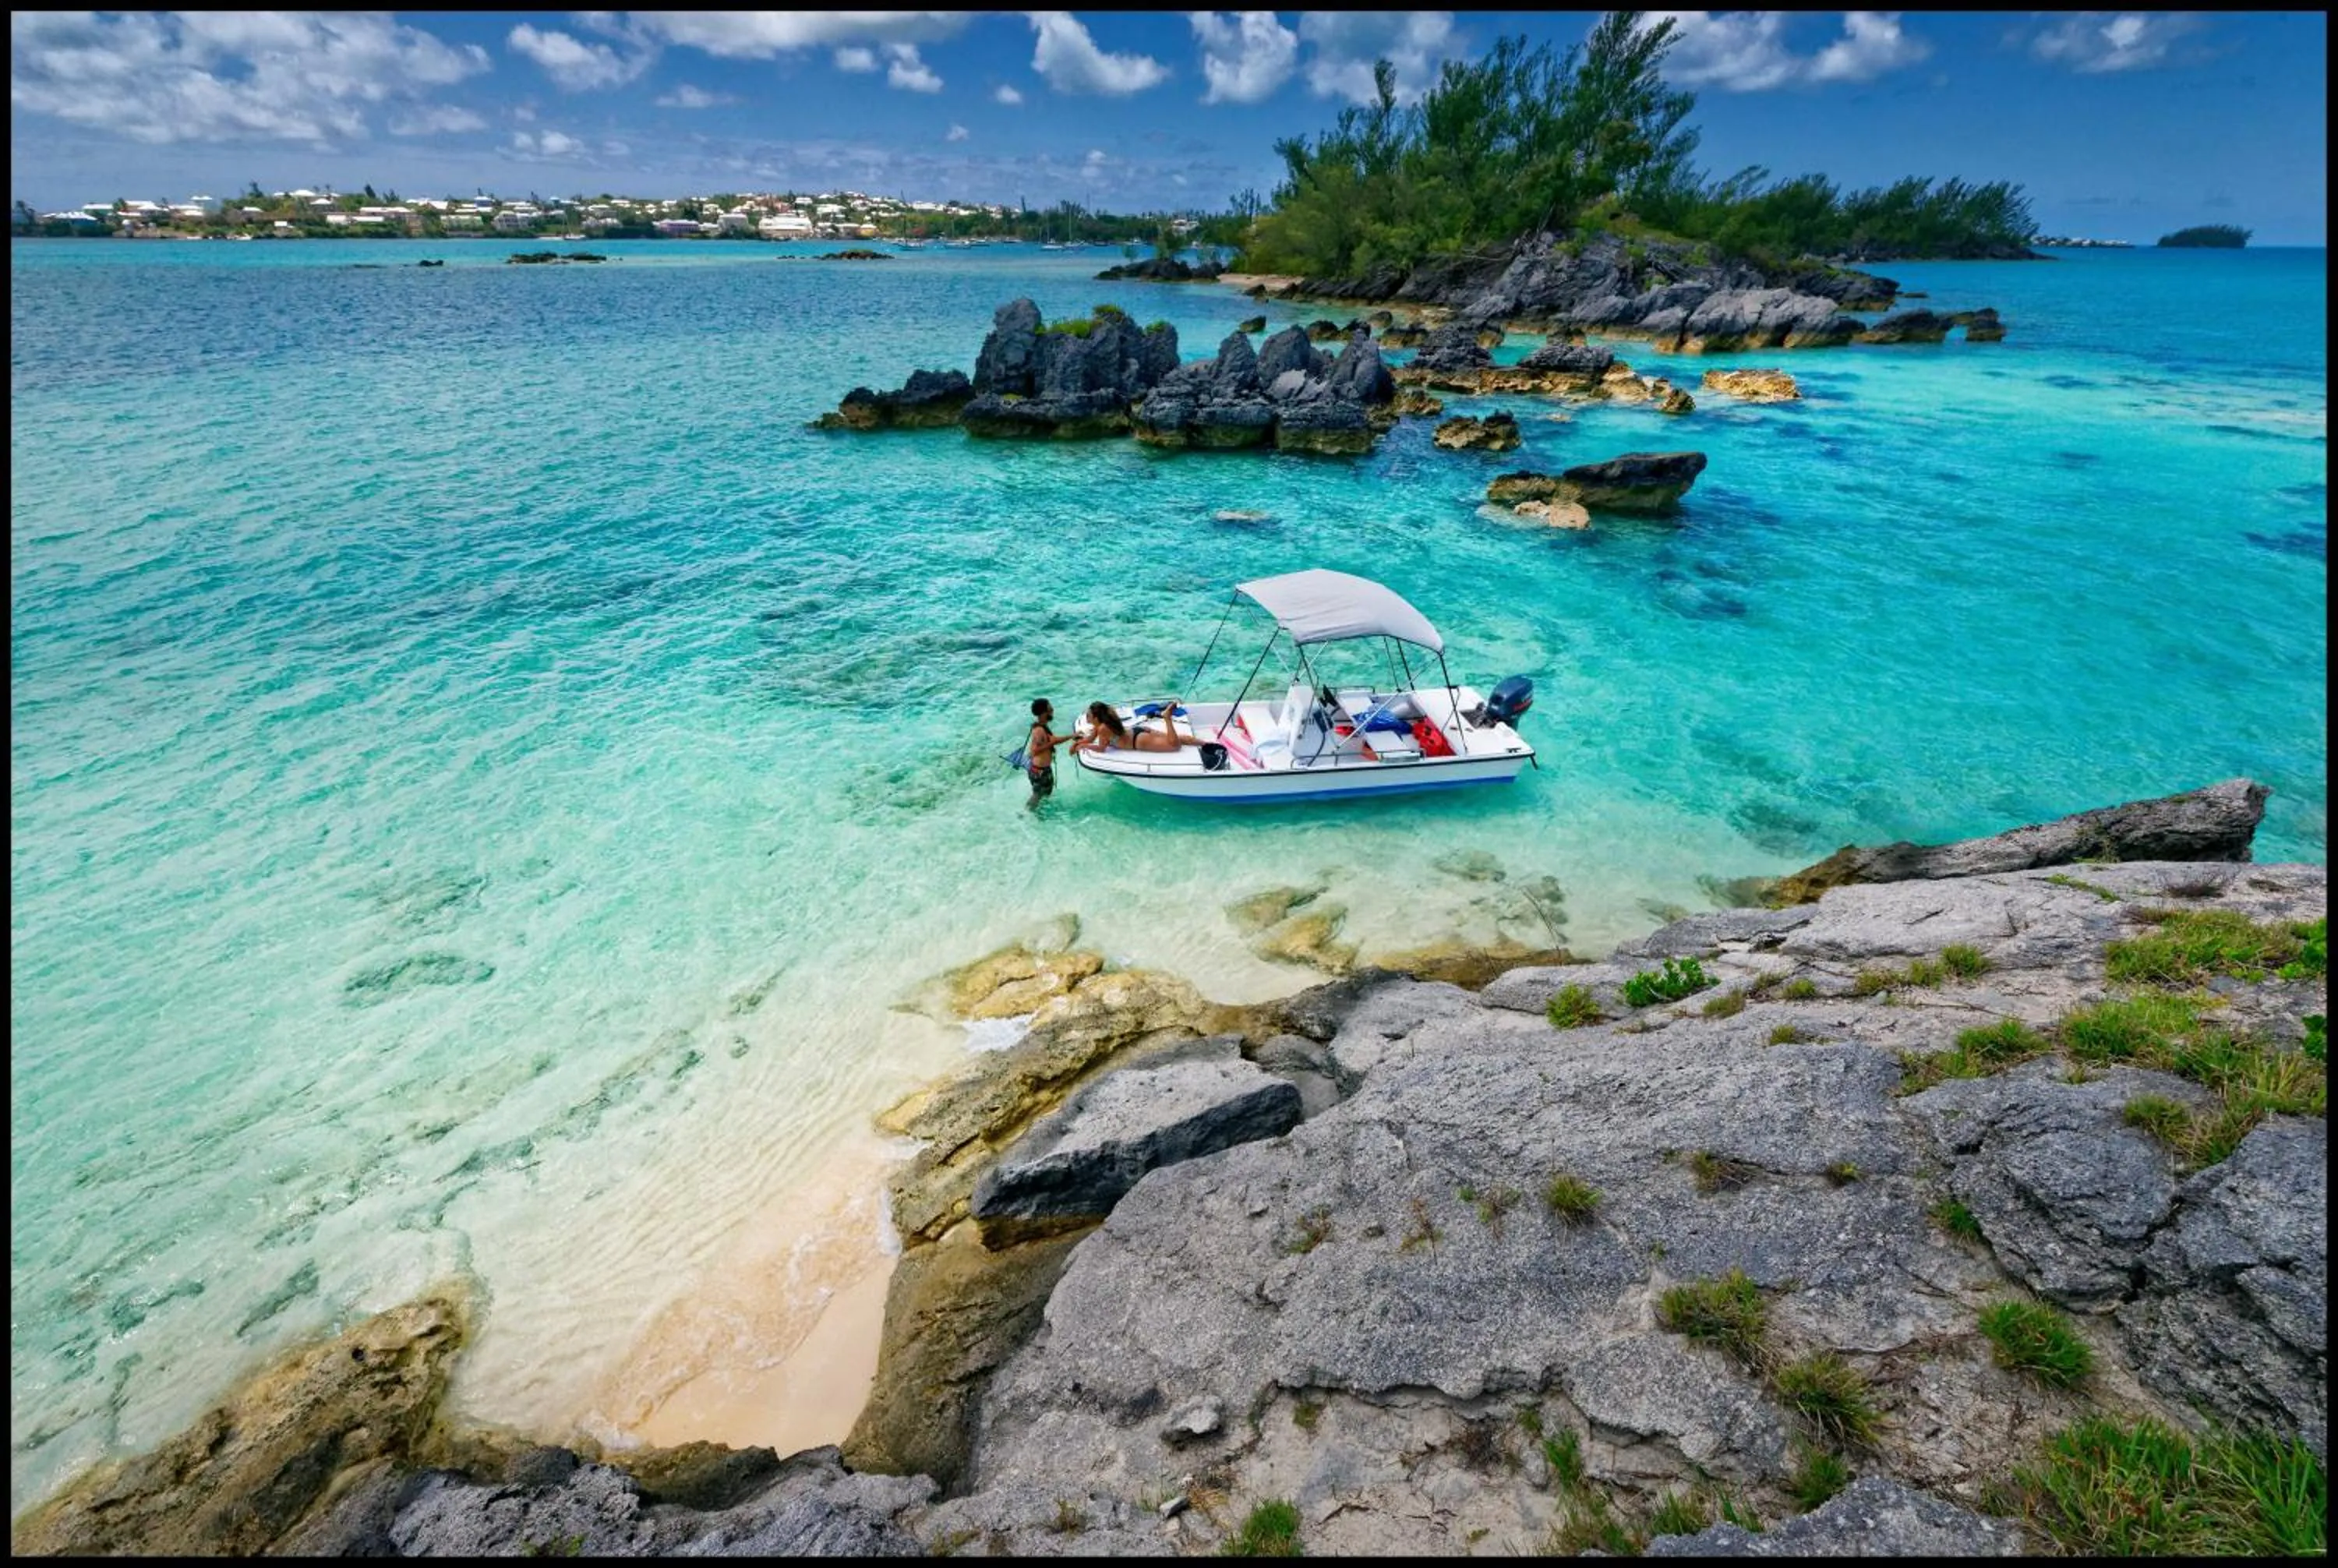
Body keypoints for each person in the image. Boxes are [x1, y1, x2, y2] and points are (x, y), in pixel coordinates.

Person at [1072, 701, 1203, 756]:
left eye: (1089, 715)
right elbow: (1090, 739)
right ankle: (1207, 744)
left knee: (1175, 745)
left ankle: (1167, 717)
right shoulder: (1103, 724)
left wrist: (1084, 747)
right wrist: (1078, 743)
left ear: (1096, 717)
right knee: (1178, 739)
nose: (1086, 717)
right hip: (1138, 731)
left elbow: (1102, 749)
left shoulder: (1102, 729)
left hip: (1138, 741)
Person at [1024, 698, 1075, 810]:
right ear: (1044, 712)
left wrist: (1072, 736)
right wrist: (1051, 744)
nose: (1052, 711)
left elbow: (1054, 740)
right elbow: (1035, 750)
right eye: (1050, 709)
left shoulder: (1043, 727)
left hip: (1042, 769)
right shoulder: (1039, 730)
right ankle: (1025, 815)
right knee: (1037, 795)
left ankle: (1039, 815)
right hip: (1040, 770)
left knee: (1046, 793)